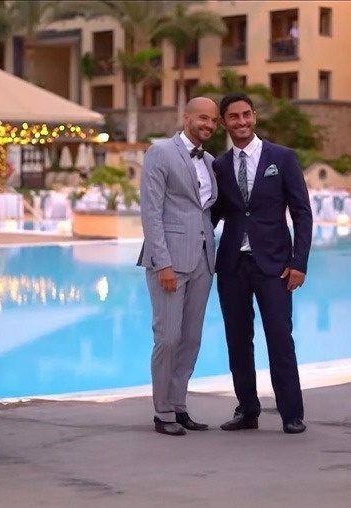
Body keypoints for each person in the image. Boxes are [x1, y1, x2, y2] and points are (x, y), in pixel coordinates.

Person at [211, 93, 313, 434]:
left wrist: (299, 262)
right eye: (234, 117)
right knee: (237, 340)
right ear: (224, 122)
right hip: (232, 266)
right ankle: (247, 410)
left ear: (254, 116)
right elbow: (212, 214)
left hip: (275, 265)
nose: (241, 122)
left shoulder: (282, 158)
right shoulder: (220, 166)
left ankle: (292, 413)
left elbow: (301, 213)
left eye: (246, 115)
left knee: (280, 338)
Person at [137, 96, 220, 437]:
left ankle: (180, 405)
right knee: (168, 337)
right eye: (203, 118)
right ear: (186, 117)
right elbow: (151, 212)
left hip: (203, 259)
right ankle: (162, 411)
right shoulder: (160, 152)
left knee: (191, 338)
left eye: (214, 121)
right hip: (170, 260)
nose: (208, 125)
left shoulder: (212, 161)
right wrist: (162, 263)